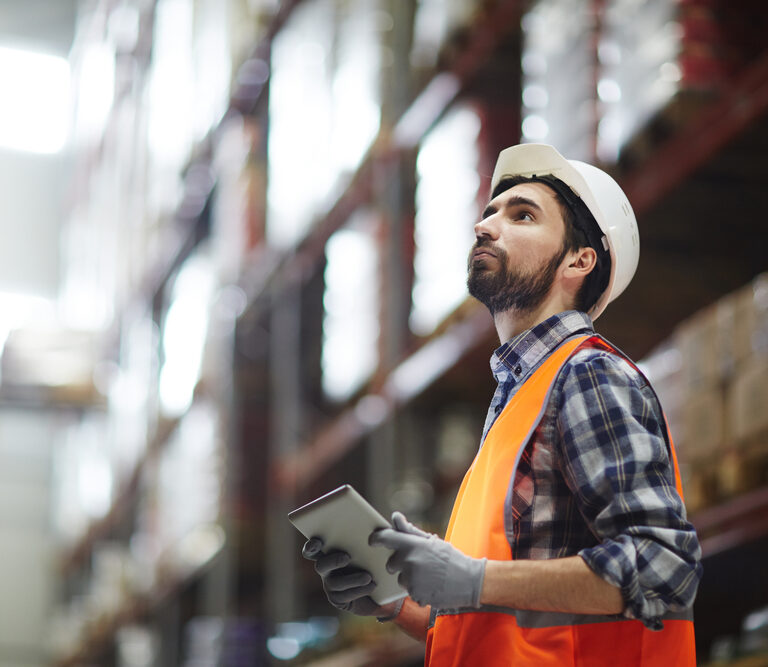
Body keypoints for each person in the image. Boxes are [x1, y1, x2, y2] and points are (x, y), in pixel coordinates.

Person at [301, 143, 702, 665]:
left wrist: (473, 576)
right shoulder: (517, 404)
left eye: (523, 215)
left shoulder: (588, 375)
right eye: (490, 212)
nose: (485, 226)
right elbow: (496, 627)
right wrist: (396, 601)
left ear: (580, 261)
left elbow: (661, 566)